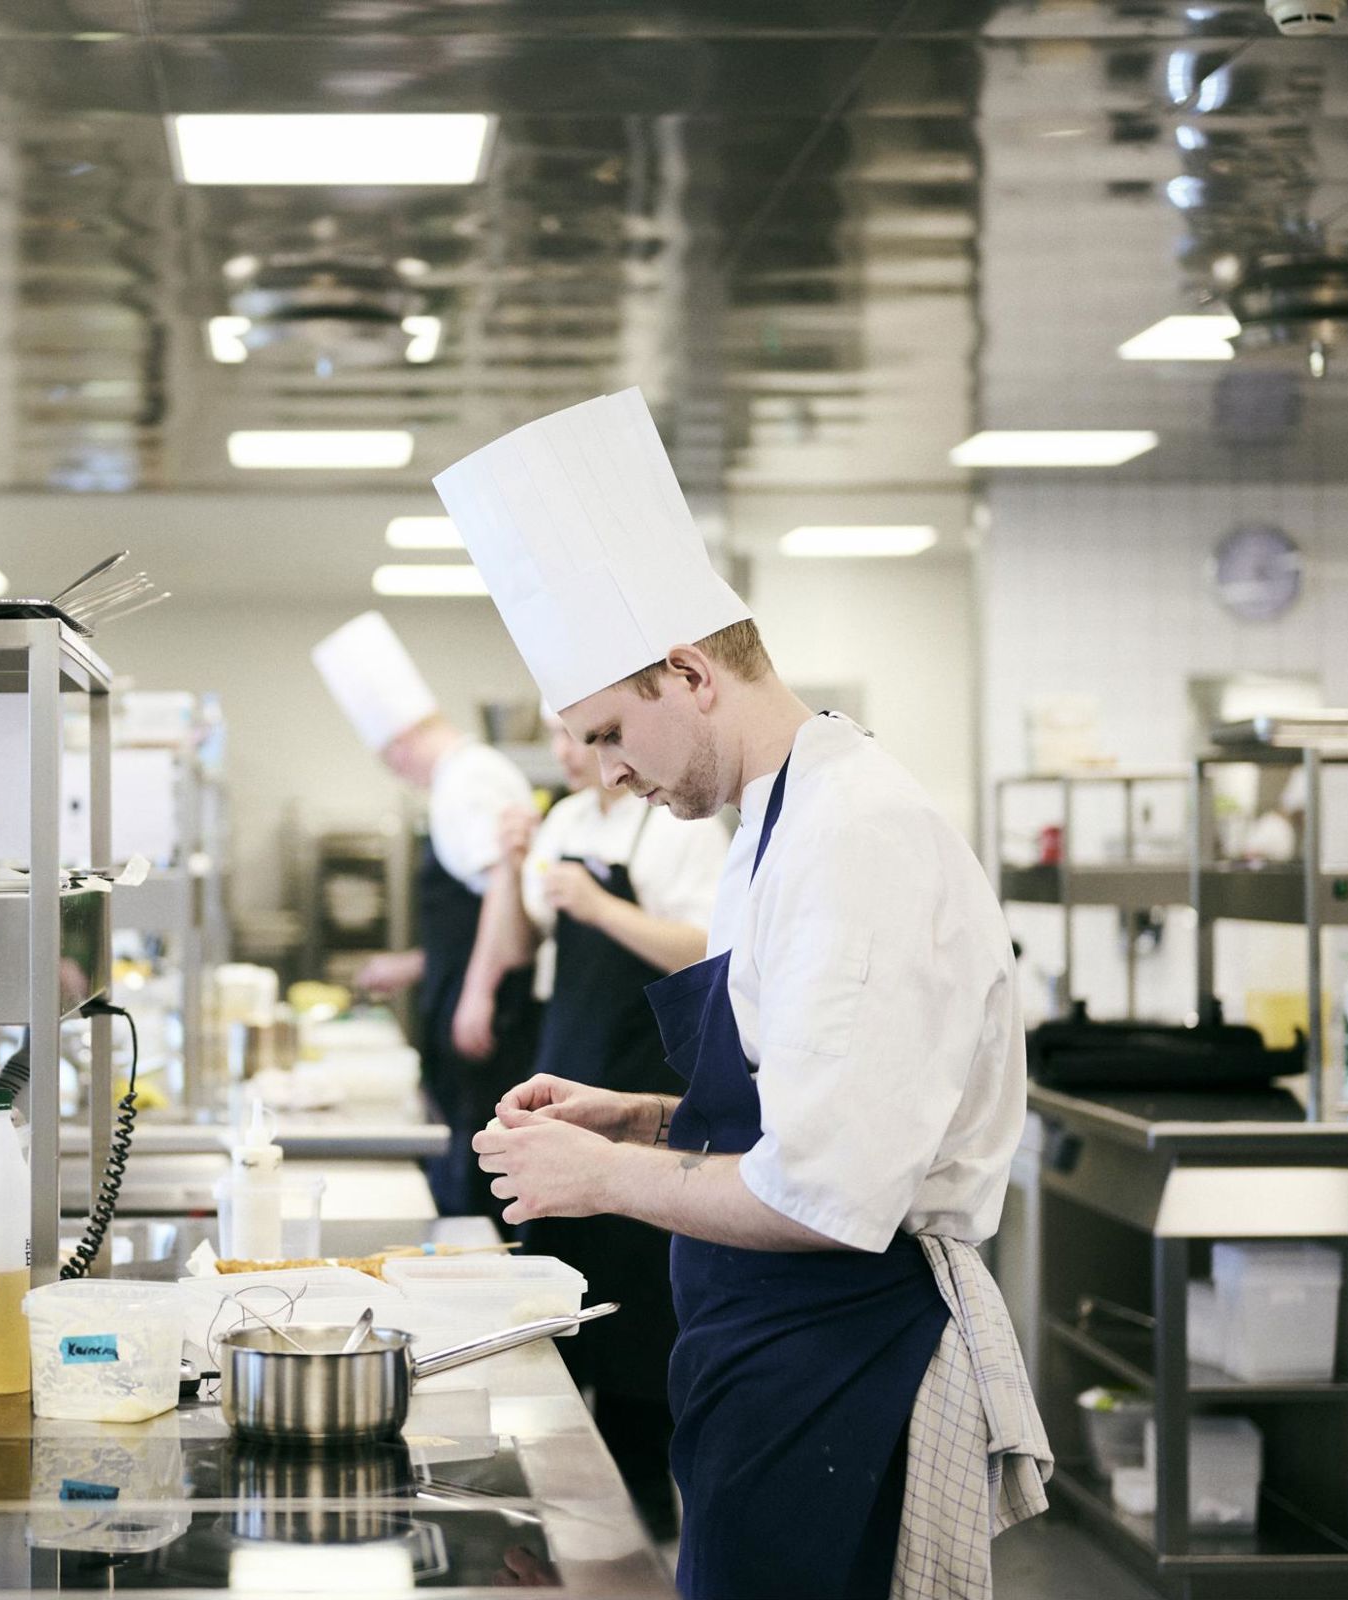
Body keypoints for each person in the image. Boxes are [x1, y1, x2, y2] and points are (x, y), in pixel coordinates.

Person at [437, 390, 1050, 1600]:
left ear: (686, 674)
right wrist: (640, 1117)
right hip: (771, 1356)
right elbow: (798, 1109)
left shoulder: (858, 834)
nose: (606, 772)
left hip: (852, 1363)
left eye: (613, 731)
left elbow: (830, 1193)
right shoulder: (773, 817)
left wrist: (606, 1180)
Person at [502, 706, 724, 1542]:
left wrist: (598, 906)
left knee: (633, 1320)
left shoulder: (675, 827)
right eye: (561, 739)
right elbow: (529, 945)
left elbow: (707, 951)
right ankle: (560, 1526)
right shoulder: (563, 820)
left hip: (640, 1083)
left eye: (587, 736)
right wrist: (510, 866)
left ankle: (640, 1538)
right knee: (560, 1303)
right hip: (569, 1065)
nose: (573, 755)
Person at [311, 610, 538, 1220]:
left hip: (489, 1021)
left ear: (401, 743)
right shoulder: (467, 777)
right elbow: (468, 914)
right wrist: (418, 965)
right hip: (467, 1005)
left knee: (479, 1173)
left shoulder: (467, 780)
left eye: (391, 758)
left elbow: (502, 892)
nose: (398, 772)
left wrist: (478, 993)